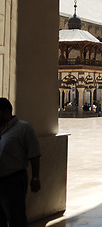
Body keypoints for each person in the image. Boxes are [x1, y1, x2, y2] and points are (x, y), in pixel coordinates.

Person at [0, 97, 41, 227]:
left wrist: (35, 177)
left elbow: (34, 154)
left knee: (16, 218)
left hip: (13, 181)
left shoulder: (23, 128)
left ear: (6, 112)